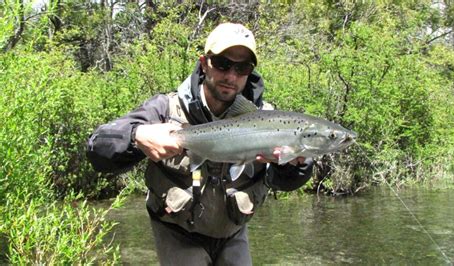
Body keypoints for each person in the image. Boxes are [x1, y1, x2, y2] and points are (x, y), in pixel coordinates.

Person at [86, 23, 314, 265]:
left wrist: (290, 166)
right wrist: (137, 135)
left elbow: (288, 182)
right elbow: (97, 149)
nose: (231, 76)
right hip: (177, 232)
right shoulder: (166, 109)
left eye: (242, 67)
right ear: (204, 63)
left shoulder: (269, 118)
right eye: (223, 64)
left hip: (233, 233)